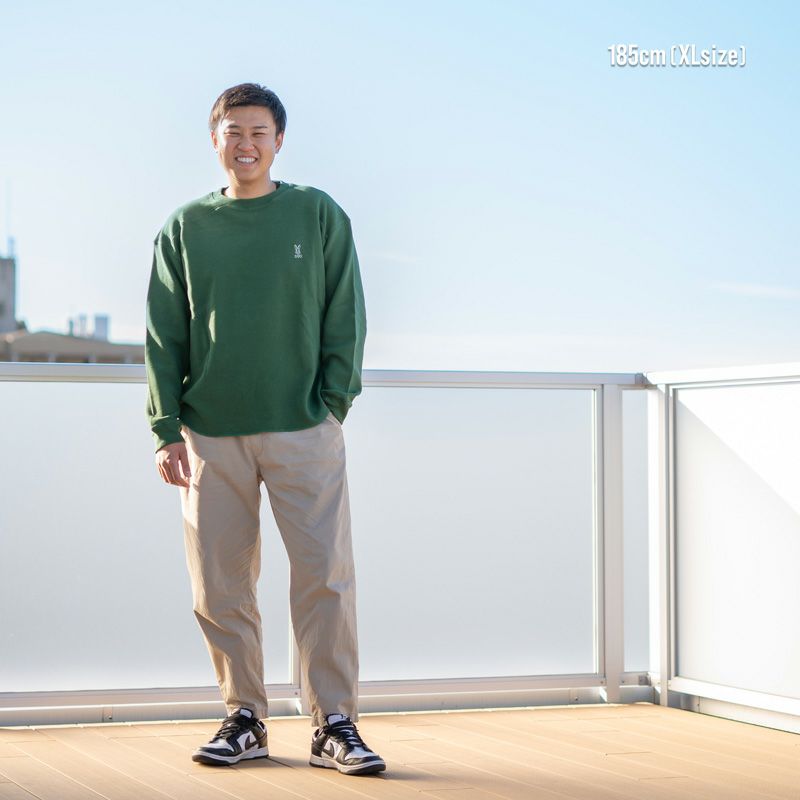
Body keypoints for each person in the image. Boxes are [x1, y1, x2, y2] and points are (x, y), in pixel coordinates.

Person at [144, 82, 384, 776]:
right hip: (209, 434)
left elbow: (347, 313)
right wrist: (165, 427)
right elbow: (163, 333)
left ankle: (333, 724)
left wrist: (333, 404)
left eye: (258, 132)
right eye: (233, 132)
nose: (245, 144)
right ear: (214, 140)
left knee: (324, 577)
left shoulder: (316, 213)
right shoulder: (186, 226)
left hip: (304, 427)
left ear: (279, 141)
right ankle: (244, 718)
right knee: (219, 583)